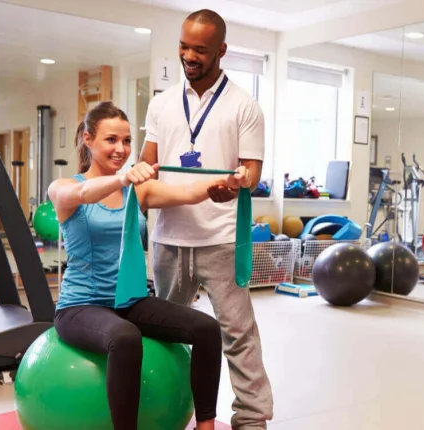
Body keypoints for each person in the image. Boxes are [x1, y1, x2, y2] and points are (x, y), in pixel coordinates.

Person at [48, 101, 250, 430]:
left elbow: (189, 192)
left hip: (129, 301)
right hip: (79, 306)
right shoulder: (63, 188)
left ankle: (206, 425)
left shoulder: (138, 190)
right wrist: (122, 178)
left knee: (207, 329)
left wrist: (230, 178)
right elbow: (84, 192)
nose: (121, 149)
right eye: (111, 140)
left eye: (127, 141)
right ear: (88, 139)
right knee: (125, 337)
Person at [139, 8, 273, 429]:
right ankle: (164, 412)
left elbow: (251, 172)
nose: (189, 56)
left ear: (222, 51)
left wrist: (237, 183)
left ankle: (252, 419)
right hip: (169, 240)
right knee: (165, 335)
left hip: (221, 240)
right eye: (184, 46)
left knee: (239, 336)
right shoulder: (162, 103)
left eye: (200, 49)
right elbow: (147, 164)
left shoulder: (244, 106)